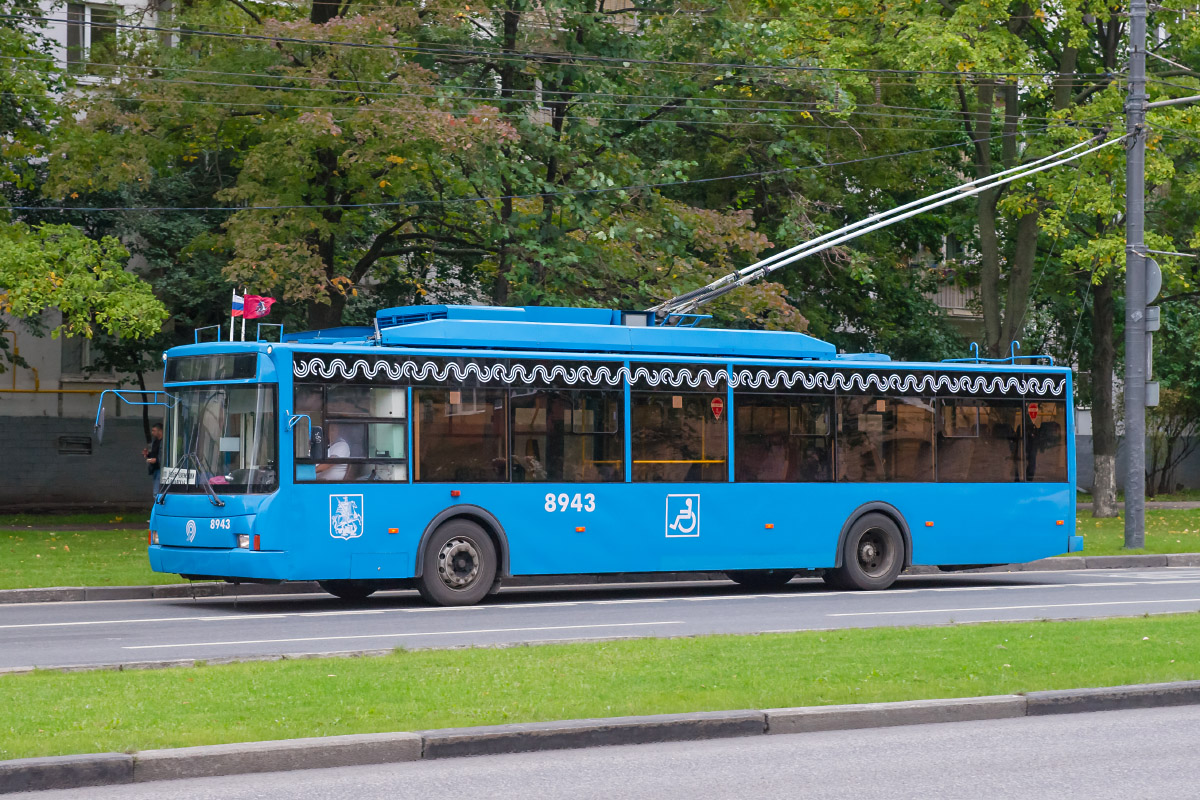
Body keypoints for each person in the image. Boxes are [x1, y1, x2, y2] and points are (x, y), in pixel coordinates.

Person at [144, 423, 163, 496]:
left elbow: (163, 455)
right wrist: (147, 454)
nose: (152, 433)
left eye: (154, 430)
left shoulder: (163, 442)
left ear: (160, 431)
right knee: (156, 490)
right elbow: (154, 453)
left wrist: (156, 460)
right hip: (154, 468)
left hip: (160, 468)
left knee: (156, 492)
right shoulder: (155, 441)